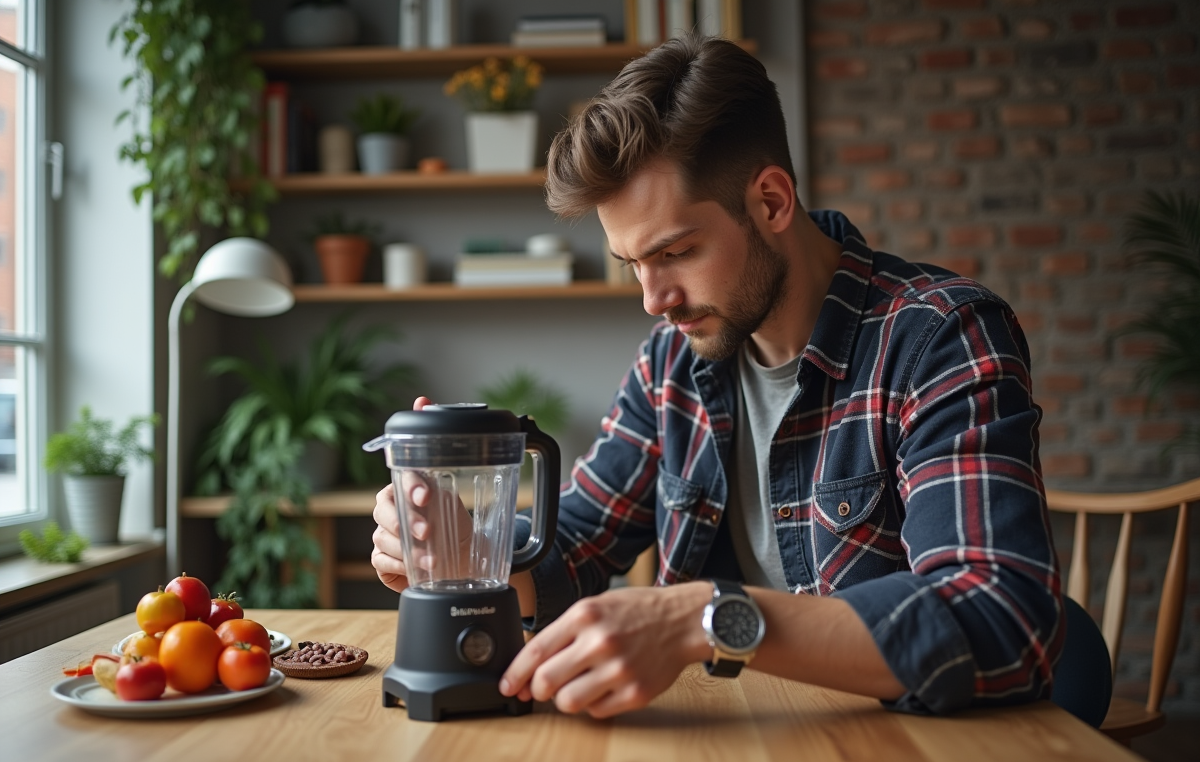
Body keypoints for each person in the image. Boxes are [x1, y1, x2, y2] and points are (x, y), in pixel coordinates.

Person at [371, 34, 1064, 720]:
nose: (654, 298)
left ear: (770, 201)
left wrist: (704, 618)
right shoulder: (672, 361)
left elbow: (999, 616)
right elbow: (573, 549)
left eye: (675, 251)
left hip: (903, 759)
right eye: (632, 263)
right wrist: (468, 552)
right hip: (735, 744)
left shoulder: (941, 339)